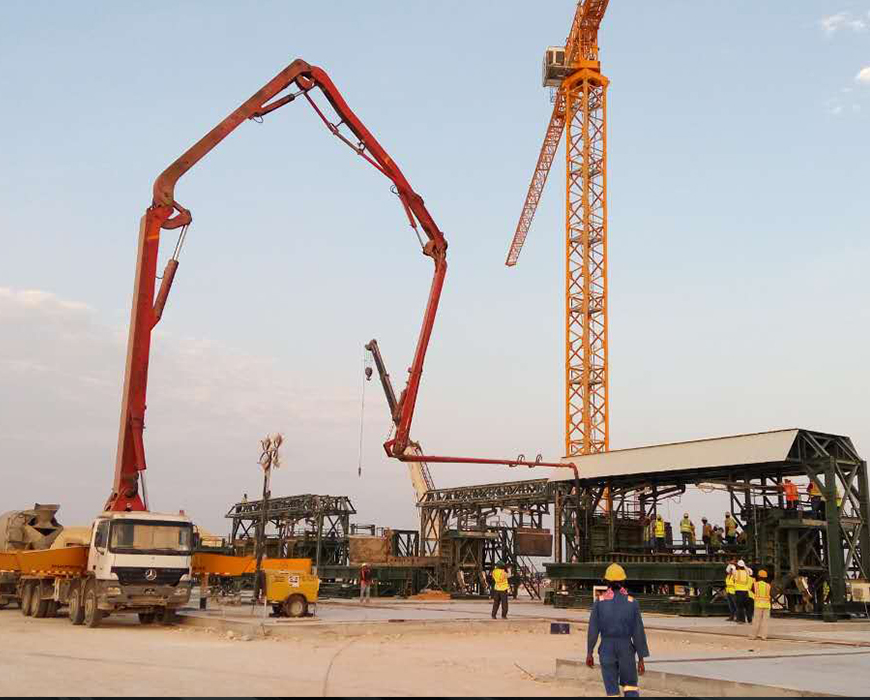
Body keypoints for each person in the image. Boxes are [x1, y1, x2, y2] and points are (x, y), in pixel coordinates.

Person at [586, 563, 650, 697]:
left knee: (612, 690)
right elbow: (638, 632)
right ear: (623, 581)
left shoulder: (599, 602)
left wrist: (589, 652)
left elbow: (593, 630)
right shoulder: (632, 603)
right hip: (626, 648)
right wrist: (641, 659)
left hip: (606, 649)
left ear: (607, 582)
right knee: (630, 686)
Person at [749, 570, 772, 641]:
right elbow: (770, 595)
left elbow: (751, 593)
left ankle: (753, 636)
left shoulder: (755, 584)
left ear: (758, 576)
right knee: (765, 621)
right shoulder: (768, 585)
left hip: (758, 604)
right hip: (767, 605)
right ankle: (764, 636)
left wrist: (754, 598)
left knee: (756, 620)